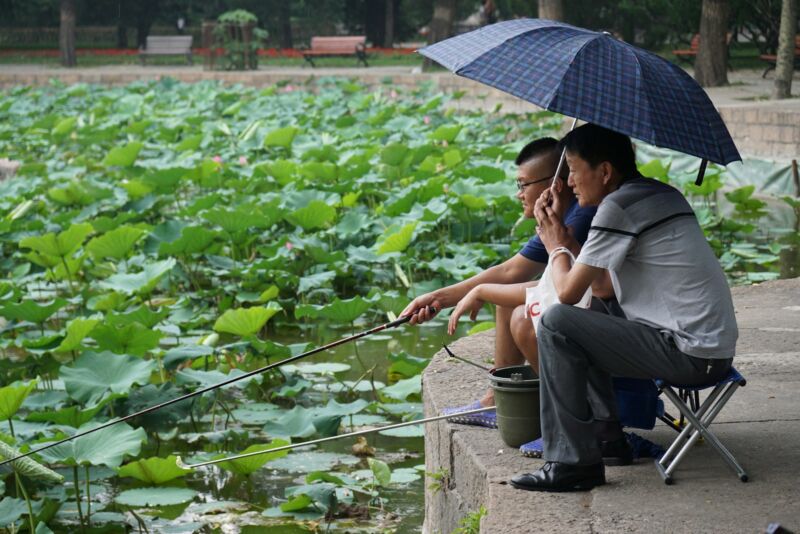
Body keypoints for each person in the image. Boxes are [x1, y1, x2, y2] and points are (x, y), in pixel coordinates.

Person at [510, 123, 737, 492]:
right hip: (707, 347)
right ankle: (606, 438)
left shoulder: (618, 207)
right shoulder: (654, 193)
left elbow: (566, 294)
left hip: (690, 354)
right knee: (584, 318)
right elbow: (600, 288)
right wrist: (566, 240)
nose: (567, 183)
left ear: (604, 171)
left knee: (557, 323)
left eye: (573, 171)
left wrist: (555, 246)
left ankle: (572, 462)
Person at [401, 137, 600, 418]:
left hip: (604, 319)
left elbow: (560, 288)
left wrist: (482, 292)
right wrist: (437, 298)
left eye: (523, 184)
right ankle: (496, 400)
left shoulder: (581, 217)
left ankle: (565, 418)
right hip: (583, 309)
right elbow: (511, 272)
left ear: (553, 184)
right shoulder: (562, 214)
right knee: (505, 294)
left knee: (519, 313)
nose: (519, 194)